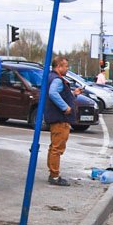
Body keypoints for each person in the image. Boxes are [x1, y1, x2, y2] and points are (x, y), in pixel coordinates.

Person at [44, 55, 78, 186]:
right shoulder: (57, 80)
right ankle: (54, 175)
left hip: (55, 117)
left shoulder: (52, 77)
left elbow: (57, 93)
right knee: (57, 148)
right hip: (60, 118)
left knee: (53, 147)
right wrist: (65, 107)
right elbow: (53, 93)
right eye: (66, 66)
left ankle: (53, 173)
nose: (67, 69)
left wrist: (73, 94)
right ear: (59, 66)